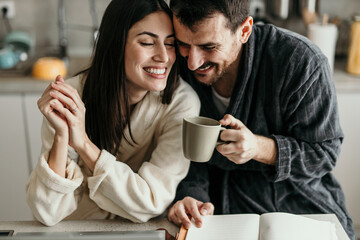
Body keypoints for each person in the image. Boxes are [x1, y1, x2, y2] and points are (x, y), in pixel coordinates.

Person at [167, 0, 356, 239]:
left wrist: (260, 147)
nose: (192, 62)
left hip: (296, 201)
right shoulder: (175, 61)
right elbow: (183, 152)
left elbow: (324, 155)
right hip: (214, 211)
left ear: (244, 30)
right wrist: (191, 195)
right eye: (183, 44)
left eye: (209, 46)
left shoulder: (300, 61)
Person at [26, 0, 200, 226]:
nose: (164, 57)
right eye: (147, 42)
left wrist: (84, 144)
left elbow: (151, 200)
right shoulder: (72, 96)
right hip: (77, 229)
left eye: (170, 44)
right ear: (116, 44)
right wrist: (61, 135)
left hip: (144, 232)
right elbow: (46, 210)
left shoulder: (182, 104)